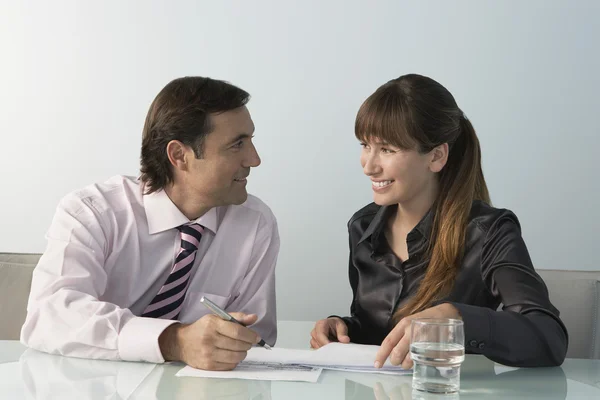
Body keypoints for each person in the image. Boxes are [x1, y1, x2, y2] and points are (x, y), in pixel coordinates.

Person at [21, 77, 279, 371]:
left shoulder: (255, 223)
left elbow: (257, 341)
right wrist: (173, 341)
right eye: (237, 145)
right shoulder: (93, 212)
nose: (254, 159)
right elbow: (50, 316)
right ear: (179, 156)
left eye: (250, 141)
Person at [310, 73, 568, 368]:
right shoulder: (362, 227)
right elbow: (381, 334)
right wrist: (342, 328)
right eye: (365, 146)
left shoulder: (488, 232)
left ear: (436, 157)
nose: (369, 166)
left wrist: (454, 317)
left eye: (387, 150)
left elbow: (549, 339)